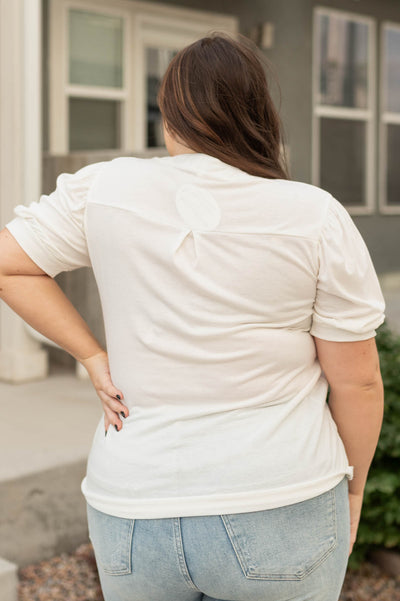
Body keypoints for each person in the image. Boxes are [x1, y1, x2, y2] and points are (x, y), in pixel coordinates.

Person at [0, 32, 384, 601]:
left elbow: (11, 266)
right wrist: (351, 494)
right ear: (259, 114)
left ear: (169, 113)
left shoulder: (104, 189)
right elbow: (357, 379)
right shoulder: (313, 215)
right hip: (280, 498)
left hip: (134, 504)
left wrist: (91, 355)